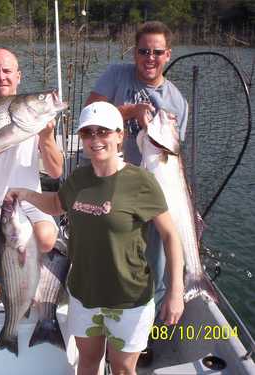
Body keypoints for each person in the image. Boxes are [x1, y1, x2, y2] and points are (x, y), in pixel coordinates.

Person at [6, 101, 184, 375]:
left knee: (124, 369)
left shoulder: (141, 182)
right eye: (87, 133)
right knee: (88, 364)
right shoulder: (78, 178)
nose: (95, 139)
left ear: (120, 135)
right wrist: (25, 193)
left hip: (129, 299)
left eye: (103, 132)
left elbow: (171, 235)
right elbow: (57, 204)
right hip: (84, 295)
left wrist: (175, 292)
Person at [85, 21, 188, 330]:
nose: (150, 58)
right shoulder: (116, 75)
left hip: (151, 191)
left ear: (168, 55)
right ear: (135, 53)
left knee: (153, 264)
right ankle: (99, 318)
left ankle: (143, 334)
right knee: (107, 255)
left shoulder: (177, 103)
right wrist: (128, 113)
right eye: (144, 51)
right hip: (108, 183)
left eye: (157, 52)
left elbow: (172, 157)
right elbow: (89, 112)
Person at [0, 47, 63, 303]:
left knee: (48, 238)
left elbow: (56, 171)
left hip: (29, 199)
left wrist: (47, 136)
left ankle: (16, 264)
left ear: (19, 76)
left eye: (7, 71)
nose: (1, 76)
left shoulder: (37, 117)